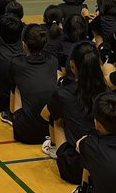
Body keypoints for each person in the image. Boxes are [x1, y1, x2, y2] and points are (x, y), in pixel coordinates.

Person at [42, 42, 106, 181]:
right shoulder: (107, 91)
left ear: (72, 66)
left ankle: (53, 147)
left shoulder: (63, 93)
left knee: (56, 118)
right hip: (106, 163)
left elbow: (44, 114)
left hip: (75, 167)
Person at [3, 23, 59, 142]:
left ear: (23, 44)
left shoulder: (16, 63)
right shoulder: (53, 61)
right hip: (52, 130)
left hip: (26, 133)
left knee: (16, 87)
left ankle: (11, 115)